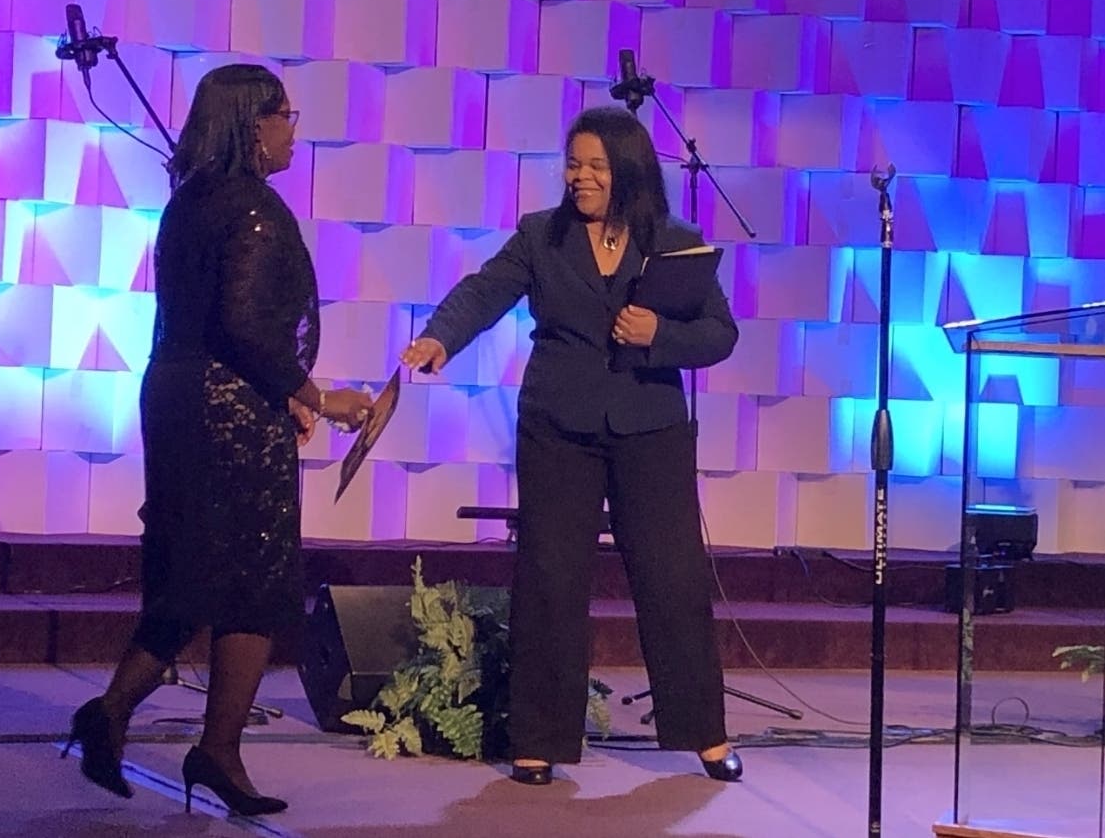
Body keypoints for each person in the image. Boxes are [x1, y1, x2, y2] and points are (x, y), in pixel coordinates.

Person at [63, 64, 373, 815]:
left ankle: (111, 713)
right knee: (256, 581)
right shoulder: (254, 209)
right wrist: (312, 394)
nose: (294, 130)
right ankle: (217, 747)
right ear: (255, 123)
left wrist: (281, 390)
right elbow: (241, 326)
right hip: (225, 410)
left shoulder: (186, 203)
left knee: (191, 570)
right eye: (287, 116)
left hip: (175, 396)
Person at [400, 106, 742, 785]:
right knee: (550, 580)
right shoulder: (540, 236)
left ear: (627, 171)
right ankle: (538, 739)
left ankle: (703, 732)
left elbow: (718, 333)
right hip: (558, 425)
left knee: (671, 580)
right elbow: (482, 292)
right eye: (572, 163)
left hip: (651, 427)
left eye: (594, 166)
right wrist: (440, 335)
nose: (579, 176)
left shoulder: (674, 240)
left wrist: (659, 337)